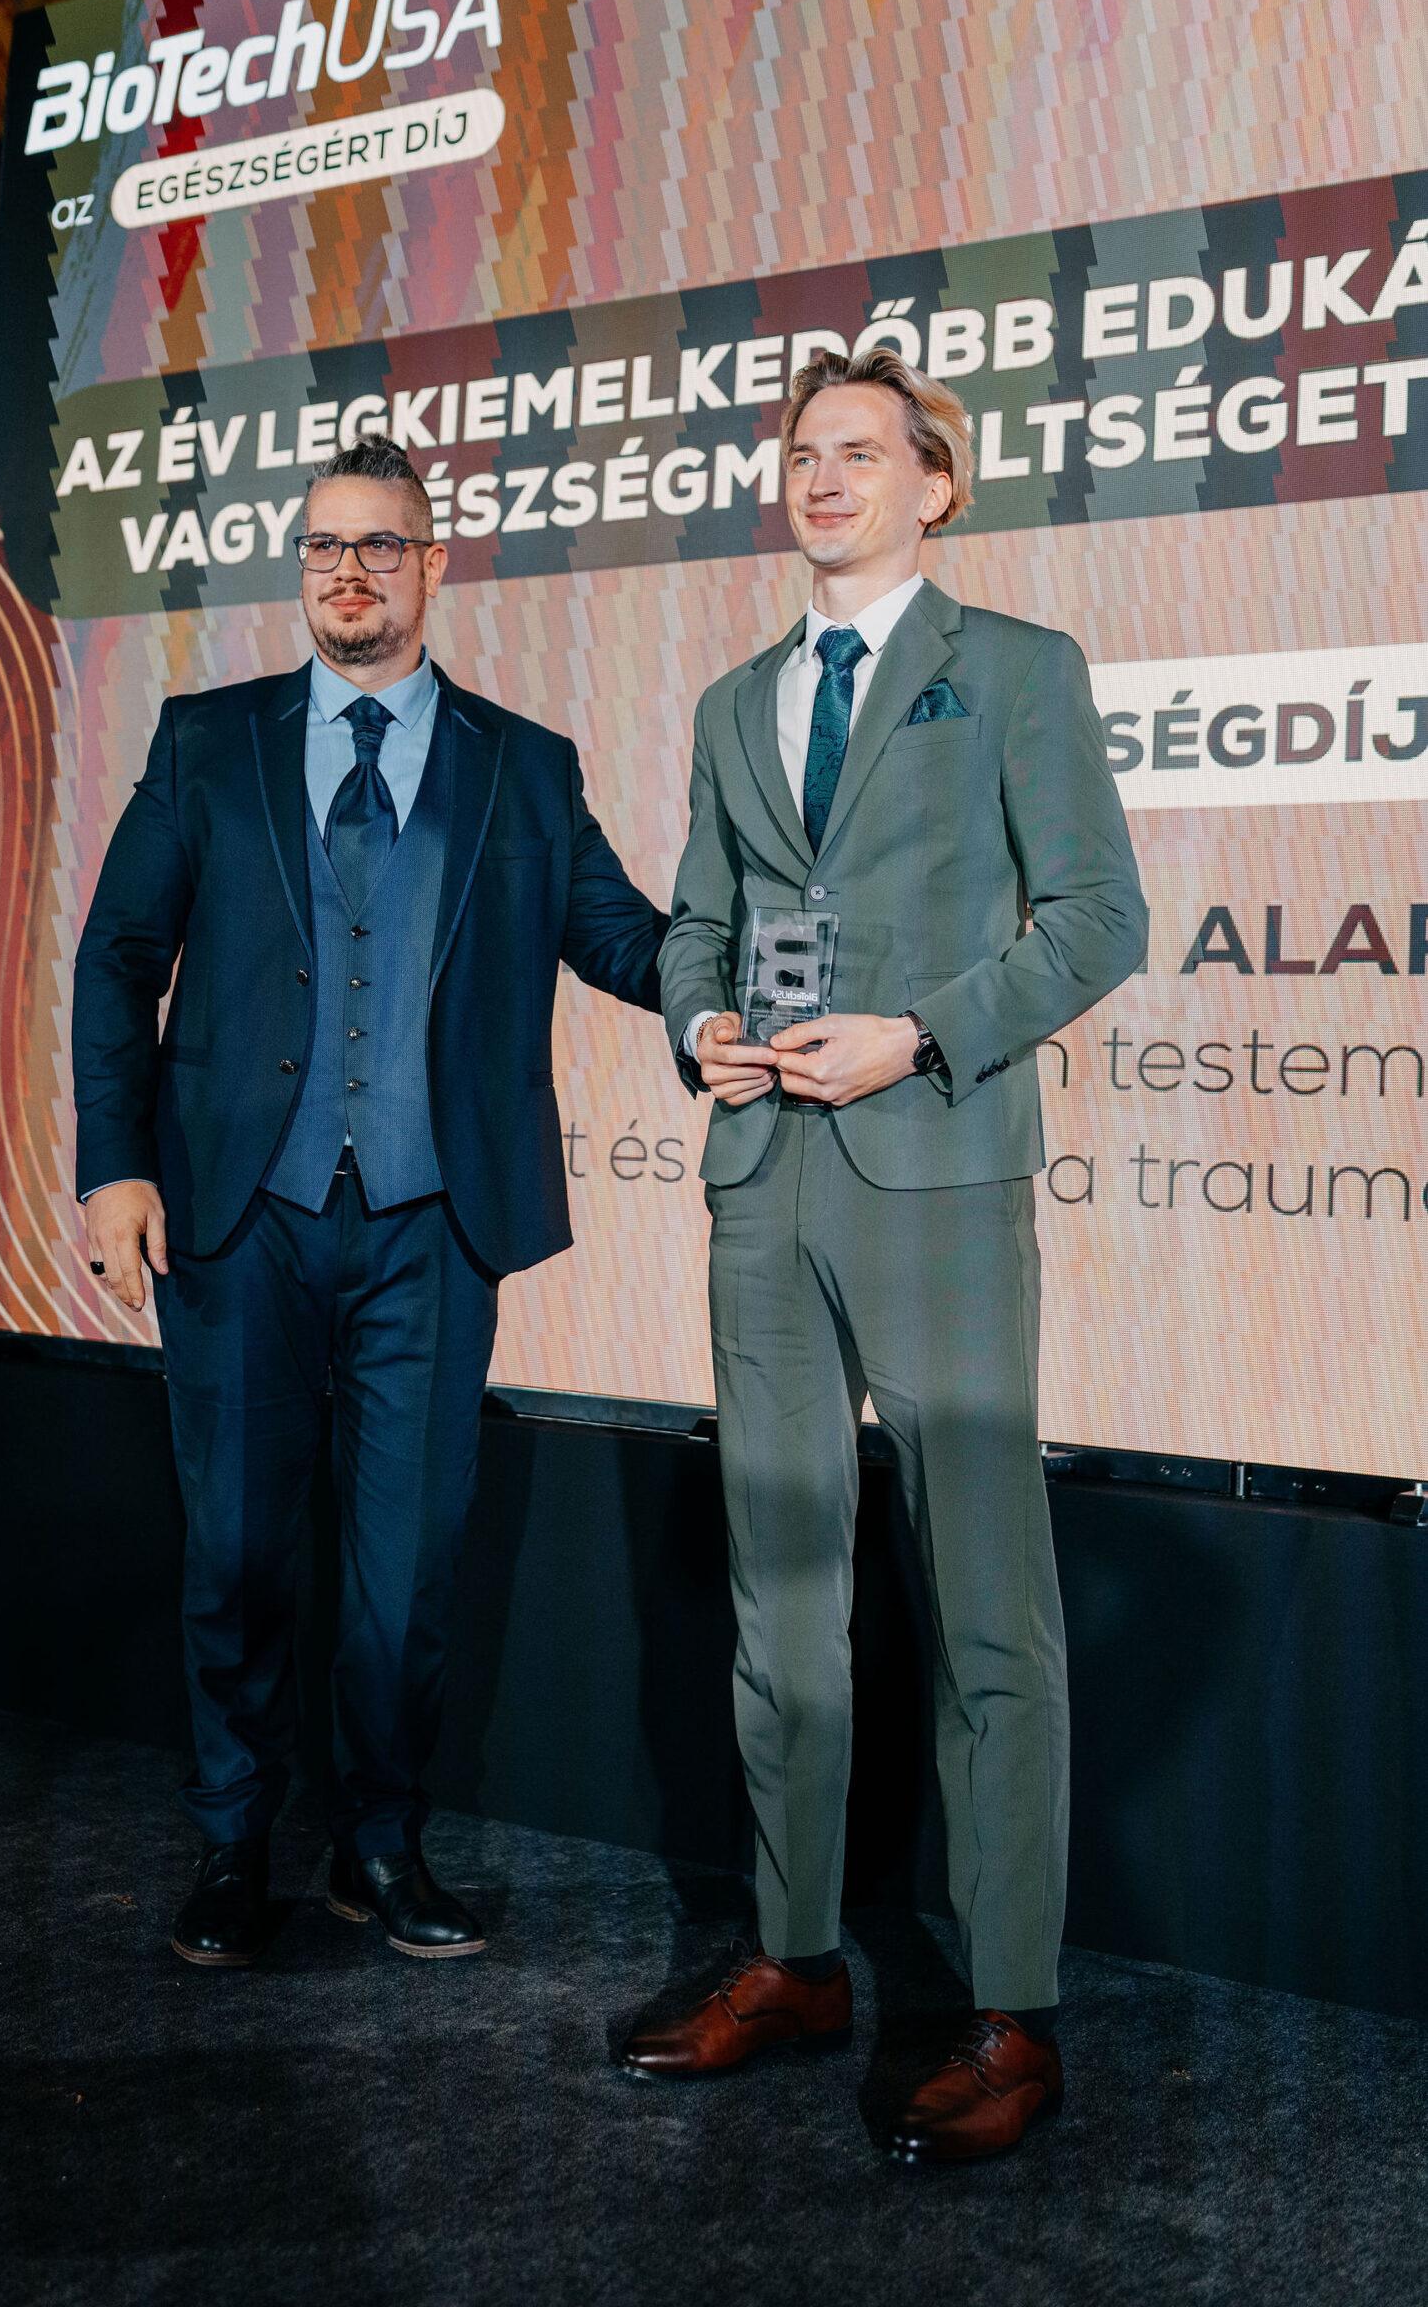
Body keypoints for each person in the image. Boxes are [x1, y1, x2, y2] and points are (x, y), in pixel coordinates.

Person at [628, 348, 1147, 2164]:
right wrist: (698, 1022)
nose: (822, 474)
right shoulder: (733, 701)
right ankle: (795, 1959)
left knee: (988, 1604)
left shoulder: (1016, 670)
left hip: (931, 1168)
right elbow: (697, 921)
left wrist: (919, 1033)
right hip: (762, 1174)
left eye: (860, 450)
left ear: (937, 484)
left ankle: (1013, 2013)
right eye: (802, 450)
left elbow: (1100, 920)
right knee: (783, 1601)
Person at [73, 435, 665, 1969]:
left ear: (432, 564)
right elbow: (119, 957)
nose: (349, 571)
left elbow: (617, 933)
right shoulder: (208, 741)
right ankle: (232, 1841)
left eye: (380, 546)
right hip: (236, 1217)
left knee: (406, 1578)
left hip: (432, 1223)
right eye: (325, 546)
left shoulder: (523, 764)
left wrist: (733, 988)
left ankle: (380, 1845)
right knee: (235, 1555)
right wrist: (115, 1164)